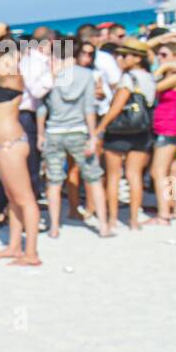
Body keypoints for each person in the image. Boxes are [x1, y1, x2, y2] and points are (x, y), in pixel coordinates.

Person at [0, 24, 42, 264]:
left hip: (12, 144)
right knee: (12, 197)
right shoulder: (2, 76)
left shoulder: (13, 74)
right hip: (2, 144)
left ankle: (32, 253)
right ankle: (15, 246)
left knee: (25, 199)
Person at [39, 37, 110, 238]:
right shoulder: (86, 75)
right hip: (78, 130)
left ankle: (54, 227)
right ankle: (103, 225)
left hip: (54, 131)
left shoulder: (52, 75)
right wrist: (93, 135)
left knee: (53, 181)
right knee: (94, 177)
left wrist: (41, 134)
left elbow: (43, 108)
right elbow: (89, 107)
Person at [95, 41, 156, 230]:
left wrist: (100, 128)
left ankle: (113, 218)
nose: (120, 59)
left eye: (125, 55)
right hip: (142, 130)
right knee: (134, 175)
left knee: (114, 175)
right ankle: (134, 220)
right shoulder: (150, 77)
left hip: (120, 131)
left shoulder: (128, 79)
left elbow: (116, 107)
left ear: (137, 58)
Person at [148, 42, 176, 224]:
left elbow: (150, 87)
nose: (160, 58)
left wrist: (162, 68)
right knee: (171, 171)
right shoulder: (173, 76)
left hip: (168, 127)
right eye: (160, 55)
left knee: (158, 172)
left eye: (165, 55)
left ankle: (163, 214)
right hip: (170, 126)